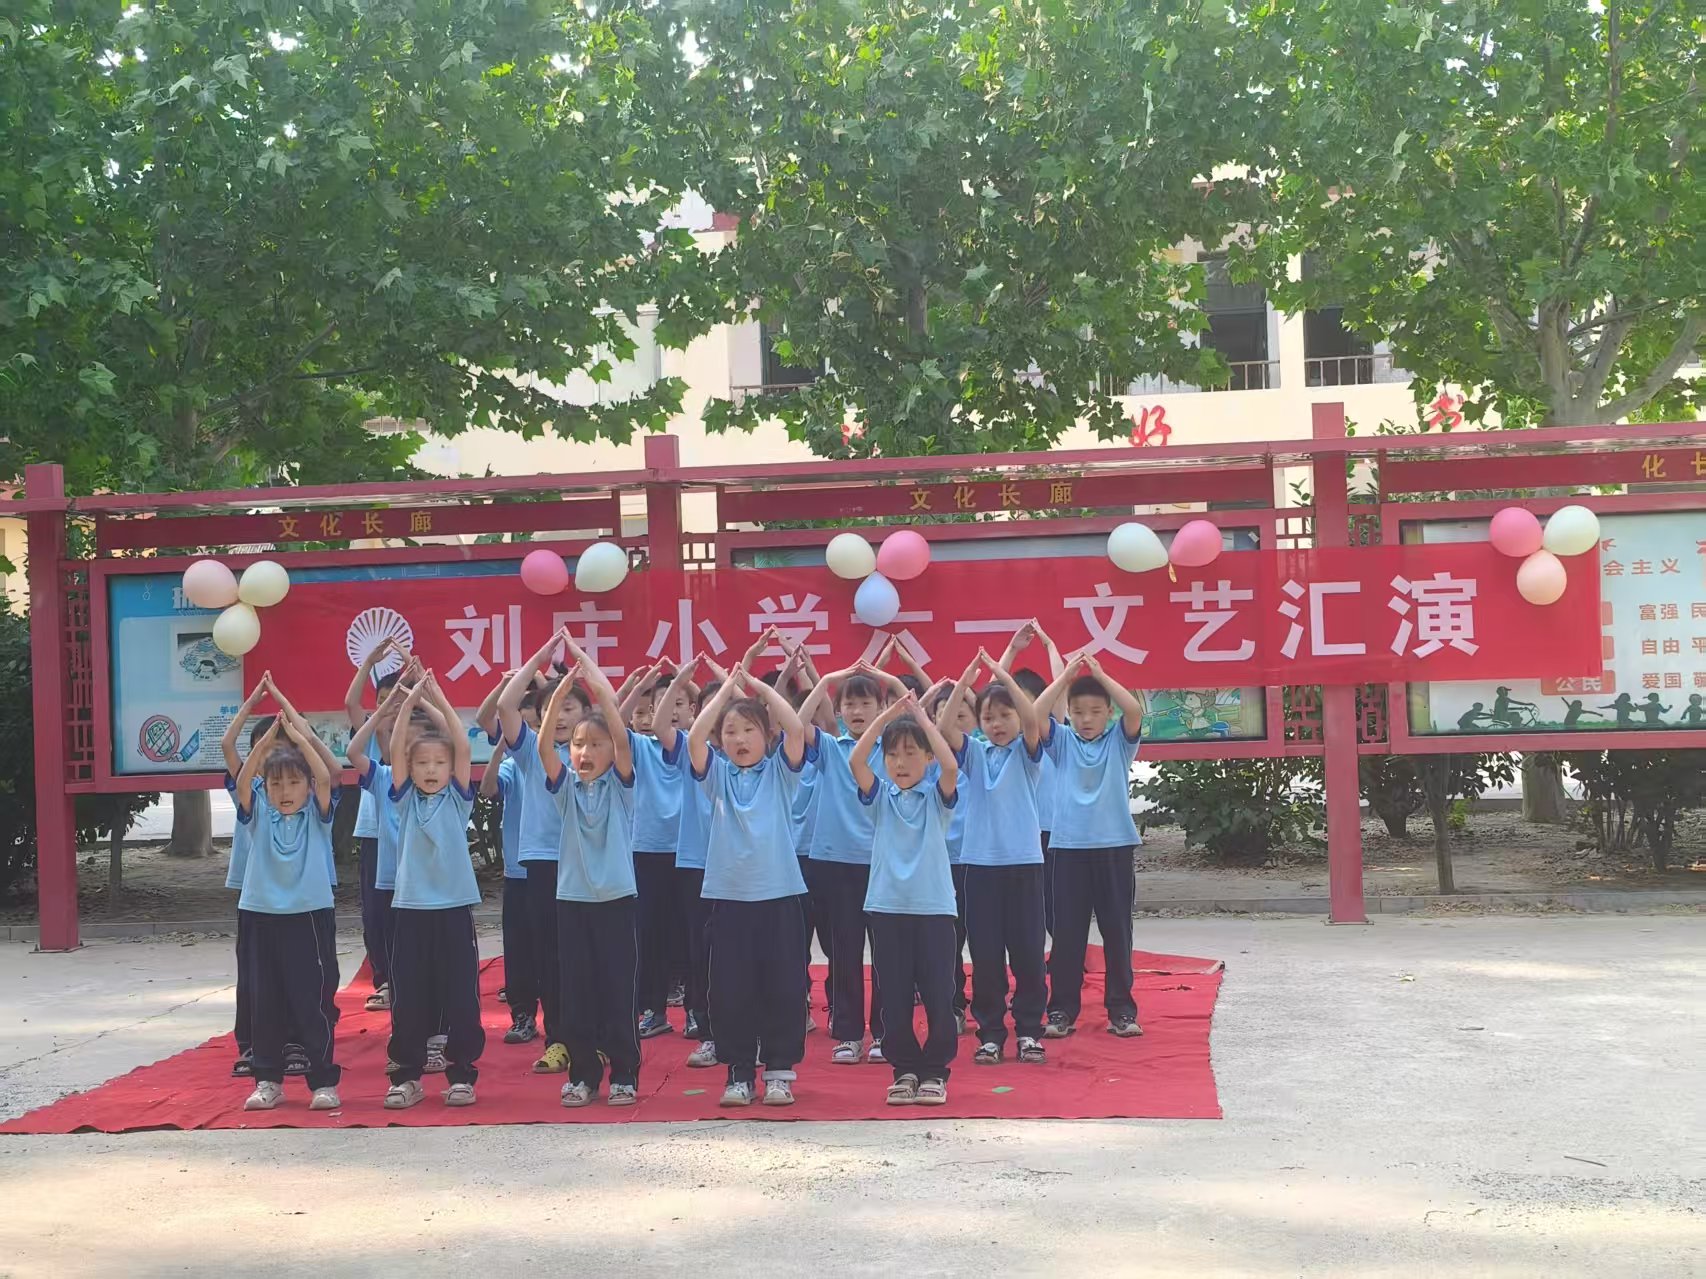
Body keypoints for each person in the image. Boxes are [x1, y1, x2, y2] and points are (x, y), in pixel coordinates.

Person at [688, 659, 814, 1107]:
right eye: (730, 732)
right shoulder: (718, 775)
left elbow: (796, 728)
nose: (739, 739)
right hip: (729, 898)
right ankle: (739, 1071)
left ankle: (779, 1070)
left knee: (784, 986)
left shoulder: (780, 772)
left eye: (749, 730)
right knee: (730, 990)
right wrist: (725, 691)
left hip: (779, 896)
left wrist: (756, 684)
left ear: (766, 736)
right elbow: (694, 739)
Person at [539, 634, 647, 1108]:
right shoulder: (565, 788)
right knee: (577, 993)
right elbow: (545, 747)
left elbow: (620, 733)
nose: (584, 751)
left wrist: (588, 672)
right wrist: (560, 694)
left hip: (617, 900)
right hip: (572, 901)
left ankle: (624, 1072)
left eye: (595, 744)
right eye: (579, 744)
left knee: (617, 989)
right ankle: (583, 1075)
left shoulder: (622, 787)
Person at [374, 673, 482, 1109]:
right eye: (422, 763)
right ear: (410, 767)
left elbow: (461, 742)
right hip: (412, 909)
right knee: (410, 996)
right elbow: (396, 745)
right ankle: (407, 1076)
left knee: (461, 996)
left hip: (453, 908)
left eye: (439, 763)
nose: (431, 770)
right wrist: (407, 704)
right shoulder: (403, 799)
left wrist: (434, 696)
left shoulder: (458, 798)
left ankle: (462, 1074)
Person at [487, 634, 592, 1075]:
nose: (562, 716)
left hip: (589, 862)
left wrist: (579, 667)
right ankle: (560, 1039)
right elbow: (505, 706)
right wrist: (538, 661)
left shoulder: (597, 748)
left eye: (570, 707)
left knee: (589, 953)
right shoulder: (531, 750)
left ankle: (595, 1037)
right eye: (553, 708)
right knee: (550, 954)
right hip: (543, 861)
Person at [798, 658, 911, 1065]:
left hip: (882, 862)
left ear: (881, 708)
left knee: (886, 953)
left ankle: (883, 1032)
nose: (857, 711)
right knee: (844, 952)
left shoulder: (894, 747)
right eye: (849, 704)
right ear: (839, 710)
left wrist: (888, 679)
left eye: (866, 703)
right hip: (836, 863)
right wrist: (827, 680)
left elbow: (912, 705)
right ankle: (848, 1034)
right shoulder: (831, 748)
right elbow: (795, 725)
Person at [850, 692, 961, 1107]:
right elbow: (856, 761)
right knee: (893, 996)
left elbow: (951, 765)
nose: (900, 762)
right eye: (893, 755)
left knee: (938, 994)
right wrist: (885, 718)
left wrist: (920, 718)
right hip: (887, 909)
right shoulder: (881, 798)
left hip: (934, 910)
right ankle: (905, 1069)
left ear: (927, 757)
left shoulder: (936, 798)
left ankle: (935, 1071)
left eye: (911, 753)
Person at [939, 652, 1049, 1065]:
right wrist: (965, 683)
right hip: (980, 867)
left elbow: (1033, 718)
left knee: (1028, 954)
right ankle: (990, 1033)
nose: (997, 723)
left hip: (1024, 866)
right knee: (985, 957)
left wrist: (1001, 674)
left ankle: (1029, 1031)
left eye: (1005, 715)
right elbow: (944, 728)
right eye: (988, 717)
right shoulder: (975, 754)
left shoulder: (1028, 752)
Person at [232, 701, 341, 1112]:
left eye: (294, 783)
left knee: (311, 1000)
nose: (285, 792)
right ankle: (268, 1080)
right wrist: (263, 750)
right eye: (276, 784)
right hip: (262, 915)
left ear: (307, 786)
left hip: (308, 915)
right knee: (265, 1001)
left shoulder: (318, 814)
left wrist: (297, 737)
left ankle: (323, 1081)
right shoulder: (258, 810)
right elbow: (245, 781)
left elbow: (326, 775)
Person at [1036, 653, 1146, 1039]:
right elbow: (1036, 715)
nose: (1086, 719)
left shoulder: (1119, 742)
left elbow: (1134, 710)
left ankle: (1122, 1010)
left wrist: (1100, 674)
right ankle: (1061, 1011)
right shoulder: (1062, 742)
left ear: (1108, 714)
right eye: (1079, 711)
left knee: (1118, 932)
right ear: (1068, 712)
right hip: (1068, 850)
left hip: (1115, 849)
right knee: (1067, 935)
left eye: (1096, 712)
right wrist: (1066, 676)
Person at [621, 660, 687, 1042]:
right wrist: (640, 685)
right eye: (662, 703)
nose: (670, 711)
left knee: (692, 936)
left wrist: (686, 684)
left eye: (678, 703)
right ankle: (653, 1010)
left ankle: (697, 1012)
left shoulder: (697, 747)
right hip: (647, 851)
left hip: (691, 853)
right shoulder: (641, 748)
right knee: (650, 936)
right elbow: (614, 720)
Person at [344, 640, 412, 1012]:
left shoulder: (418, 739)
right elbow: (351, 704)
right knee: (376, 912)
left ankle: (413, 979)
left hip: (412, 839)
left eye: (398, 700)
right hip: (375, 835)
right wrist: (369, 662)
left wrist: (413, 670)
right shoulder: (368, 738)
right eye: (384, 700)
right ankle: (386, 981)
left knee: (410, 911)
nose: (391, 706)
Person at [1001, 622, 1065, 938]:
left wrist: (1050, 647)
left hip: (1050, 830)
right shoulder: (1004, 740)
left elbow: (1061, 688)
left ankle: (1066, 956)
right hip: (1017, 833)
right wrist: (1012, 650)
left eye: (1027, 700)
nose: (1022, 708)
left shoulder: (1051, 731)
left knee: (1054, 904)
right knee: (1021, 908)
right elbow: (993, 690)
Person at [480, 730, 538, 1045]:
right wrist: (501, 747)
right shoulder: (512, 765)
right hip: (519, 872)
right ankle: (523, 1014)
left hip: (559, 871)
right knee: (519, 949)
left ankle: (564, 1023)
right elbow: (488, 789)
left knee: (556, 950)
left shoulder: (562, 759)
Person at [925, 676, 975, 1033]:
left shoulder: (984, 752)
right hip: (942, 863)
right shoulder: (927, 761)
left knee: (985, 940)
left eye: (961, 715)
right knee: (948, 942)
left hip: (979, 861)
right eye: (944, 716)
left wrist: (967, 686)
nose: (952, 724)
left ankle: (989, 1006)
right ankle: (954, 1005)